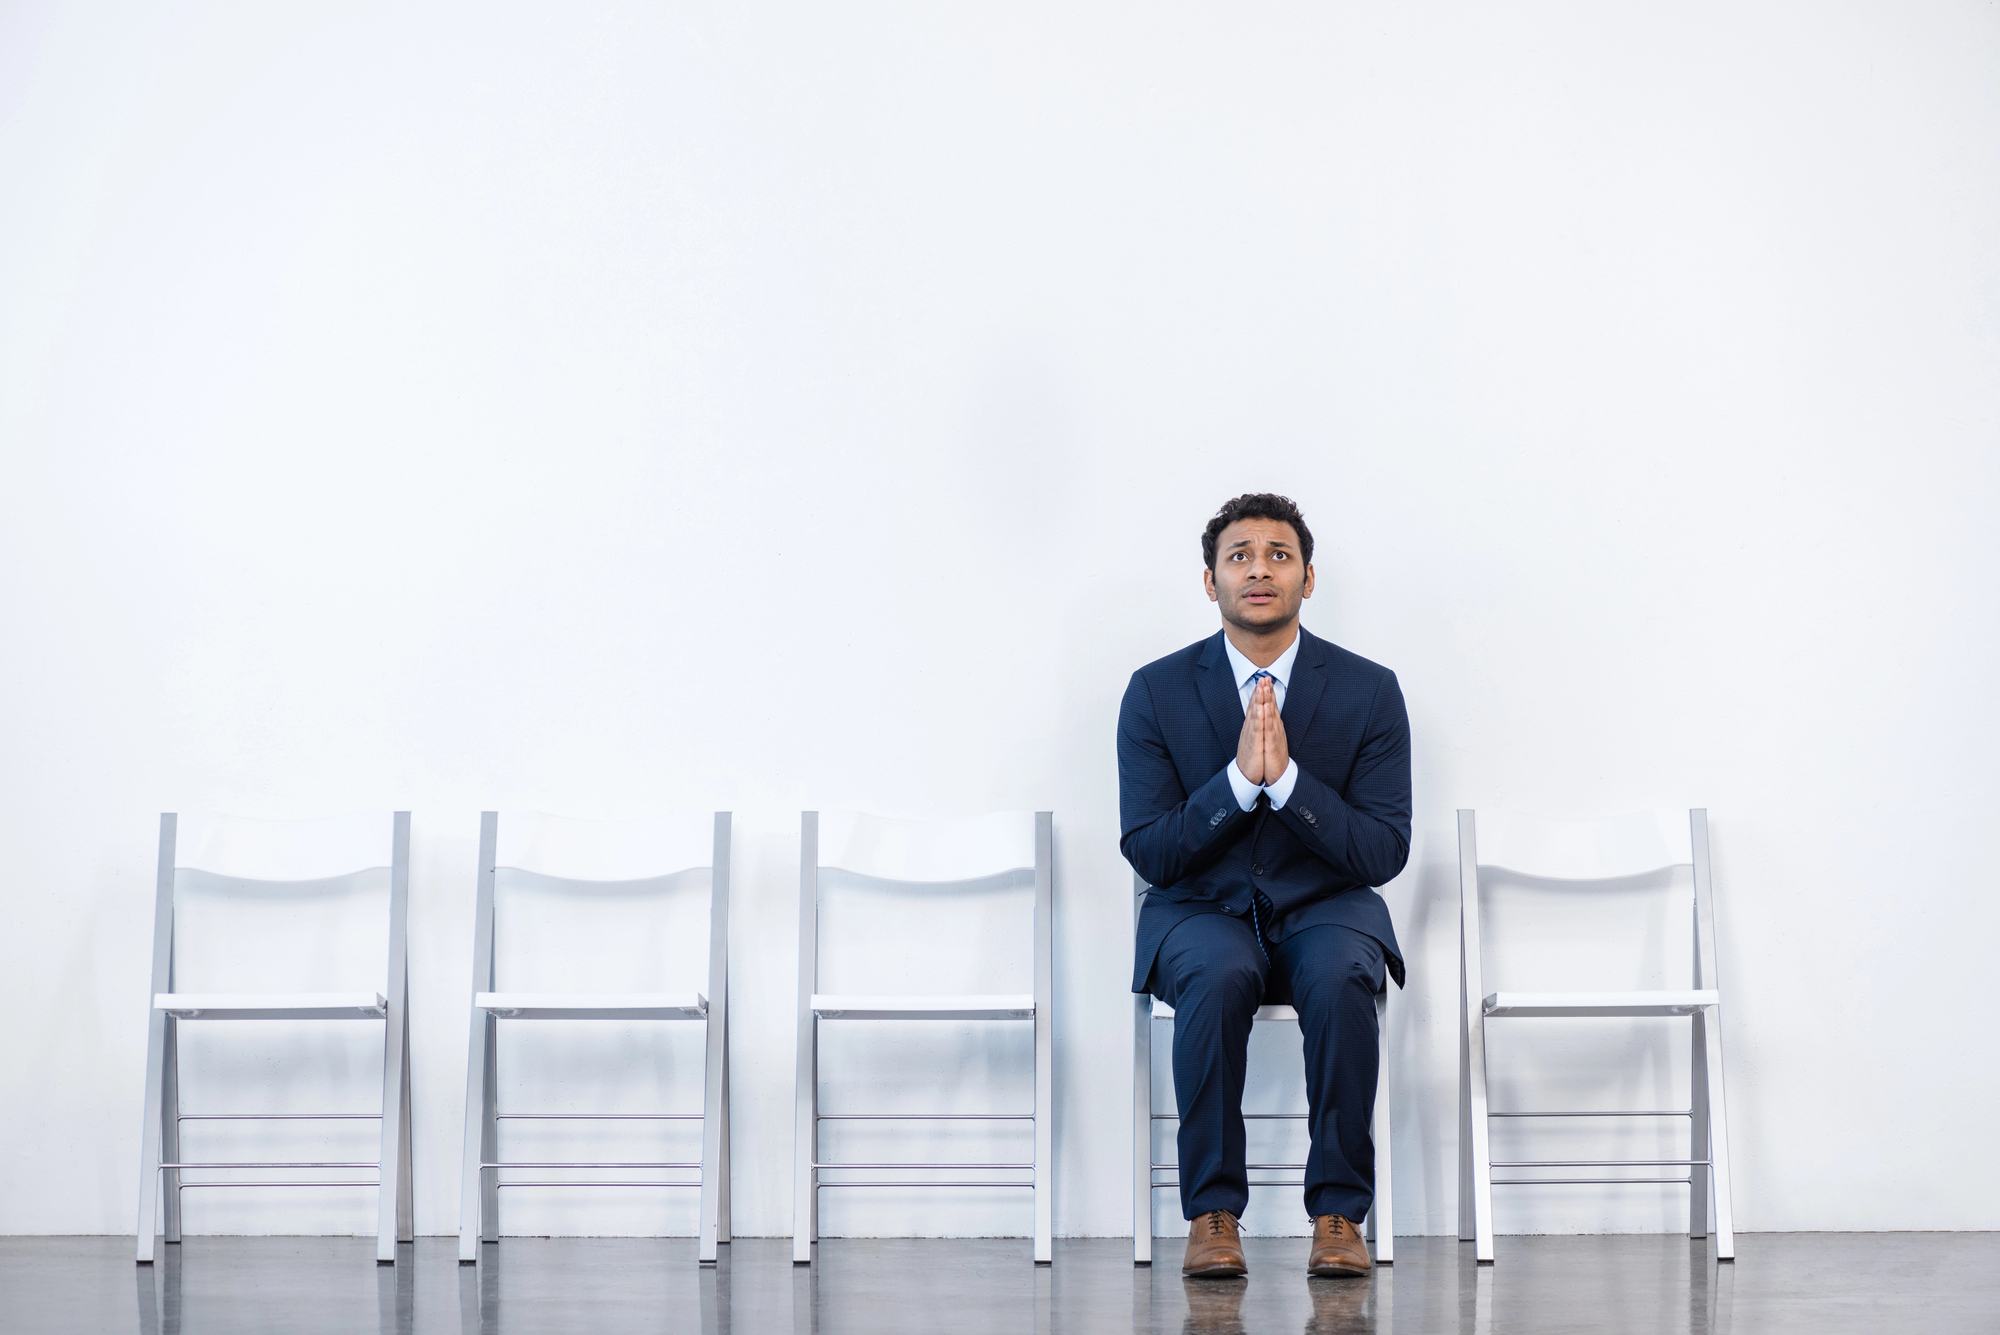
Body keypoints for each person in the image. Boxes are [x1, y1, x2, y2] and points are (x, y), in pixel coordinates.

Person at [1119, 492, 1410, 1279]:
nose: (1259, 569)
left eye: (1278, 554)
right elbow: (1148, 847)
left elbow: (1384, 848)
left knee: (1345, 973)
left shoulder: (1370, 689)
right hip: (1201, 909)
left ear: (1308, 578)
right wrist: (1237, 783)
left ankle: (1339, 1212)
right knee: (1214, 976)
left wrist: (1287, 784)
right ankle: (1213, 1214)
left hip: (1326, 909)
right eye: (1238, 555)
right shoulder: (1155, 691)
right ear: (1209, 581)